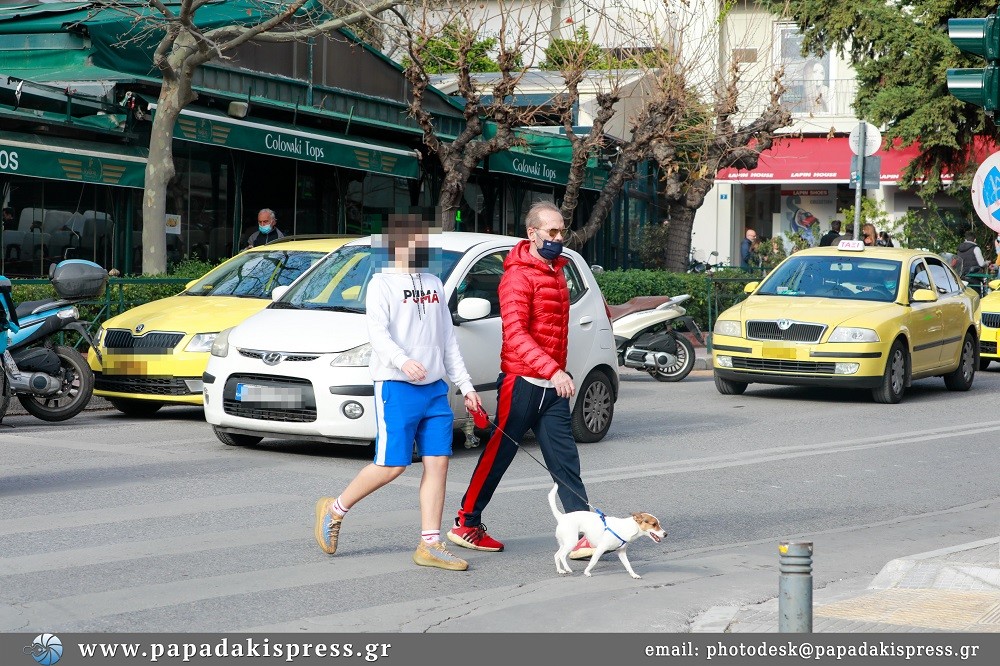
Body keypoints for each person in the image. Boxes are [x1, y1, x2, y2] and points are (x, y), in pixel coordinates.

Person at [313, 215, 482, 571]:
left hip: (435, 389)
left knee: (439, 464)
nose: (421, 248)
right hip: (396, 385)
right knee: (392, 466)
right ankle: (334, 509)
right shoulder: (381, 284)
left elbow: (447, 340)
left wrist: (466, 386)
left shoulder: (435, 282)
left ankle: (430, 544)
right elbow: (378, 333)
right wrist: (403, 362)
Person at [447, 200, 594, 560]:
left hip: (552, 385)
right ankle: (466, 522)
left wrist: (558, 371)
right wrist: (553, 370)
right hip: (522, 382)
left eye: (563, 231)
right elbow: (515, 334)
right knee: (499, 454)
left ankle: (582, 535)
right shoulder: (517, 276)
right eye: (552, 232)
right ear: (532, 233)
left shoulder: (558, 269)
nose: (560, 238)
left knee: (565, 460)